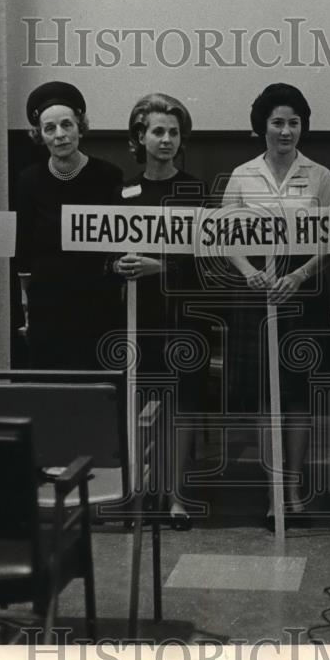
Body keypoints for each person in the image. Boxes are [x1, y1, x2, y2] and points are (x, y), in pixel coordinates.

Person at [222, 83, 330, 530]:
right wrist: (250, 271)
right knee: (267, 398)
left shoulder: (320, 175)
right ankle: (273, 494)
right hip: (257, 291)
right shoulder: (242, 174)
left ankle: (294, 491)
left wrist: (301, 274)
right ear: (262, 127)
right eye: (277, 122)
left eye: (293, 122)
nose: (286, 130)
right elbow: (224, 236)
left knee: (298, 396)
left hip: (303, 291)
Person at [111, 93, 209, 529]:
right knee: (135, 402)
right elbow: (101, 247)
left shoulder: (196, 191)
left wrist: (161, 265)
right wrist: (116, 264)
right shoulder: (122, 192)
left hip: (183, 317)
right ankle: (134, 492)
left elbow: (209, 260)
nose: (166, 139)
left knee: (181, 405)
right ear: (140, 137)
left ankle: (177, 497)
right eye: (157, 131)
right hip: (135, 316)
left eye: (173, 132)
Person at [16, 81, 123, 369]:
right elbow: (23, 249)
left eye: (67, 125)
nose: (60, 135)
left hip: (97, 303)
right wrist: (27, 310)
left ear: (80, 127)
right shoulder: (28, 180)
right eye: (50, 128)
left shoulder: (109, 175)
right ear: (40, 135)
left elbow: (118, 245)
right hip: (46, 303)